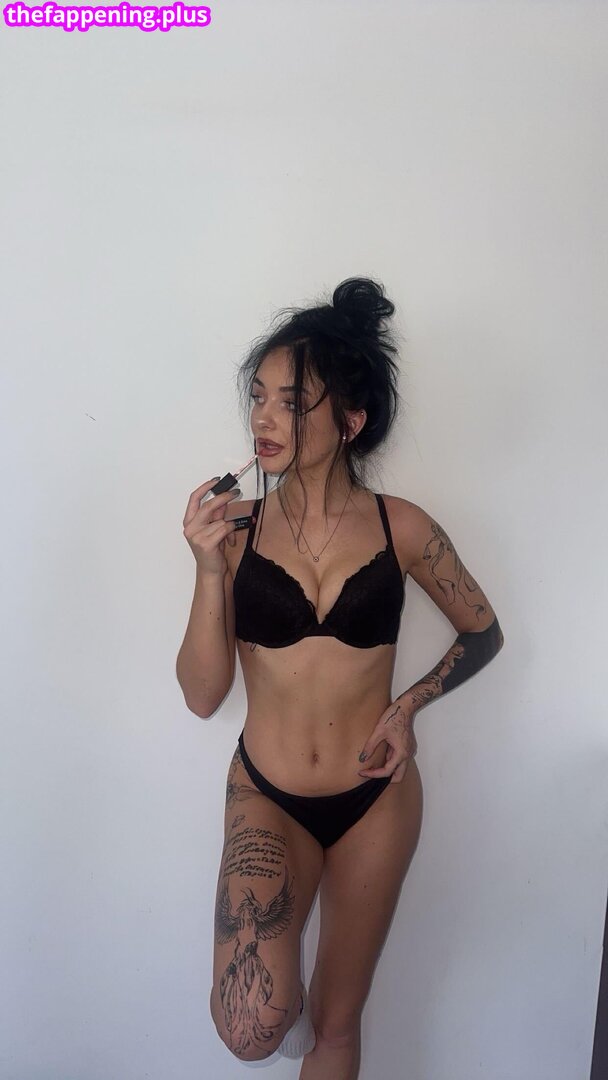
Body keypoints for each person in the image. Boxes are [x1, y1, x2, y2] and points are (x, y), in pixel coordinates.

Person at [177, 277, 504, 1079]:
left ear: (350, 420)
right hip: (268, 792)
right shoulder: (236, 530)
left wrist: (410, 705)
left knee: (336, 1023)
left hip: (374, 799)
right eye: (258, 398)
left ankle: (319, 1020)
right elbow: (202, 695)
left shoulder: (403, 527)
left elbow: (483, 631)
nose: (263, 419)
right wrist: (208, 570)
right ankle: (285, 1002)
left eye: (291, 402)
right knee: (250, 1026)